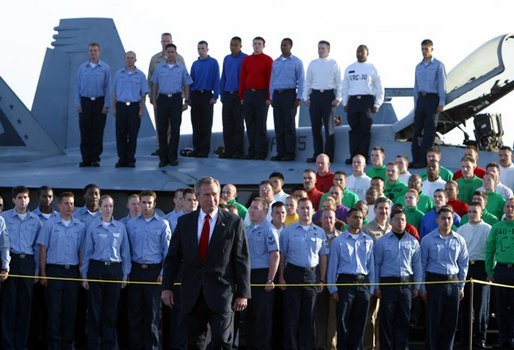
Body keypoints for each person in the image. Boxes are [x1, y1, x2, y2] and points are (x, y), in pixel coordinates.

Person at [162, 176, 251, 349]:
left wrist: (243, 293)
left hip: (222, 293)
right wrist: (167, 287)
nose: (212, 198)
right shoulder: (185, 222)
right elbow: (173, 258)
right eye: (207, 195)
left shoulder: (234, 223)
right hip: (192, 293)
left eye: (215, 194)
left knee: (222, 341)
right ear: (197, 196)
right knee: (193, 342)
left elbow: (242, 259)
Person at [81, 195, 131, 350]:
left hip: (115, 270)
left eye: (111, 206)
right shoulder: (92, 227)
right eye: (105, 206)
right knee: (95, 311)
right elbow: (87, 252)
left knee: (111, 310)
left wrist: (125, 274)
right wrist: (84, 276)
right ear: (100, 208)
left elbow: (125, 253)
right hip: (97, 269)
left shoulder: (120, 227)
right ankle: (94, 345)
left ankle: (108, 345)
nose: (108, 209)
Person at [278, 197, 328, 349]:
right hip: (292, 273)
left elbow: (323, 256)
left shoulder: (320, 232)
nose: (305, 211)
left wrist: (322, 279)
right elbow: (282, 255)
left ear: (313, 210)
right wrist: (281, 277)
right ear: (297, 210)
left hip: (312, 276)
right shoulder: (287, 231)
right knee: (292, 316)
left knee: (309, 316)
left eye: (308, 208)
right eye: (302, 208)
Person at [38, 192, 86, 349]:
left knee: (70, 310)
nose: (69, 206)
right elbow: (43, 249)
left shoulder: (80, 226)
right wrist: (43, 273)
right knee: (54, 310)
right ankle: (54, 344)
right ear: (59, 205)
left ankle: (67, 343)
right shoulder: (50, 224)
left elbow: (81, 251)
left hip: (71, 272)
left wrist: (81, 274)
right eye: (66, 203)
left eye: (72, 203)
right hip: (54, 271)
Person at [125, 190, 171, 350]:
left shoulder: (162, 224)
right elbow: (127, 251)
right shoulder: (131, 224)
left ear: (155, 204)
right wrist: (127, 273)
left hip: (154, 272)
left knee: (152, 315)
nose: (145, 206)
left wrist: (163, 273)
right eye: (142, 202)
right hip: (136, 271)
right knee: (135, 313)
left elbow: (168, 252)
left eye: (149, 202)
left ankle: (152, 347)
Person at [420, 205, 469, 350]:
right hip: (434, 281)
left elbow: (463, 264)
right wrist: (422, 286)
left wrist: (461, 286)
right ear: (437, 220)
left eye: (449, 218)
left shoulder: (459, 240)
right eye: (443, 218)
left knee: (451, 321)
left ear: (453, 220)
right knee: (433, 320)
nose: (446, 221)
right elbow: (422, 264)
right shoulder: (428, 240)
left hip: (453, 283)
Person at [374, 207, 421, 350]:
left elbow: (417, 266)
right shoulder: (382, 242)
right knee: (387, 319)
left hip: (406, 284)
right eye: (397, 219)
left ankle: (402, 347)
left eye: (403, 219)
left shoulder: (413, 242)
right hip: (388, 284)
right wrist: (376, 286)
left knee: (404, 319)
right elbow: (376, 265)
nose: (400, 222)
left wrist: (417, 287)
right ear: (391, 221)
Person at [327, 208, 374, 350]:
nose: (358, 220)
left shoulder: (368, 240)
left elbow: (371, 266)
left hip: (363, 283)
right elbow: (332, 267)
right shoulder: (338, 241)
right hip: (345, 282)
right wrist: (332, 288)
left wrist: (371, 288)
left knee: (360, 322)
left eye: (360, 218)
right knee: (342, 321)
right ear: (347, 219)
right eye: (355, 217)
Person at [1, 186, 42, 349]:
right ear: (13, 200)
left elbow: (38, 248)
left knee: (25, 306)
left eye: (25, 197)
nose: (22, 200)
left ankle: (22, 344)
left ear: (29, 199)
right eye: (19, 197)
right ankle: (8, 344)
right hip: (10, 262)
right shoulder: (4, 217)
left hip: (28, 263)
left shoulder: (36, 220)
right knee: (9, 305)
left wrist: (37, 271)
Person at [245, 197, 280, 350]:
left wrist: (270, 279)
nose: (251, 211)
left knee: (262, 315)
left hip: (262, 275)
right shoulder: (248, 229)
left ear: (265, 212)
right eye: (250, 207)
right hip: (248, 275)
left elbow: (275, 255)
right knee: (249, 315)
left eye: (255, 208)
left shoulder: (269, 229)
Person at [151, 43, 193, 167]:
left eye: (172, 52)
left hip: (176, 99)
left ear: (175, 53)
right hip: (162, 99)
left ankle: (173, 157)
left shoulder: (181, 68)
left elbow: (186, 85)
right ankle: (163, 158)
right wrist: (154, 100)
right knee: (162, 130)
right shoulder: (159, 68)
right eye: (168, 52)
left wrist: (186, 101)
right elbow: (154, 85)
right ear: (165, 53)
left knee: (175, 129)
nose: (170, 54)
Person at [457, 202, 491, 349]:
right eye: (469, 212)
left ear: (481, 212)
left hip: (481, 267)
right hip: (465, 268)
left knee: (480, 306)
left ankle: (480, 339)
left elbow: (490, 252)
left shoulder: (488, 229)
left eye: (474, 212)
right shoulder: (462, 228)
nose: (471, 214)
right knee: (464, 306)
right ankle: (465, 338)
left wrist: (490, 271)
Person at [342, 45, 384, 164]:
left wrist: (377, 104)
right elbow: (344, 87)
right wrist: (345, 102)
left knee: (365, 129)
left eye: (362, 52)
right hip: (353, 101)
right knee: (354, 129)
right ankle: (353, 156)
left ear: (367, 53)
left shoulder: (372, 68)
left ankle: (363, 157)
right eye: (358, 52)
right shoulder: (350, 68)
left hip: (366, 101)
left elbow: (379, 87)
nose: (359, 54)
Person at [302, 40, 342, 163]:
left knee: (329, 128)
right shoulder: (313, 64)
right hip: (315, 96)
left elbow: (339, 82)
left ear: (328, 50)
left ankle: (329, 156)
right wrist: (305, 97)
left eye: (323, 48)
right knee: (316, 128)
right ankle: (317, 155)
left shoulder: (334, 63)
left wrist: (339, 98)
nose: (320, 50)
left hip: (328, 96)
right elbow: (307, 81)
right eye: (319, 48)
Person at [148, 33, 186, 157]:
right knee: (161, 125)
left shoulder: (179, 59)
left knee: (174, 125)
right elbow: (151, 79)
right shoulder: (155, 59)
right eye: (164, 41)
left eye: (168, 41)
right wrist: (151, 98)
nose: (166, 43)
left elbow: (185, 79)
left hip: (175, 97)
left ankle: (171, 150)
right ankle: (161, 149)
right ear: (161, 42)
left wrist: (185, 100)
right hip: (159, 97)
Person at [410, 39, 447, 168]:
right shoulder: (418, 67)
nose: (424, 52)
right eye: (422, 49)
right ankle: (416, 159)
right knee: (417, 131)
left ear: (432, 49)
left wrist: (441, 103)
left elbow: (442, 85)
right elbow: (416, 86)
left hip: (432, 99)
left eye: (426, 49)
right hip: (421, 99)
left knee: (429, 131)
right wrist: (416, 104)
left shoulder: (438, 65)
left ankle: (424, 160)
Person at [361, 197, 391, 350]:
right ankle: (368, 346)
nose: (384, 211)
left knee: (384, 317)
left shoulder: (392, 229)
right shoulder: (367, 229)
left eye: (386, 208)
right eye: (381, 208)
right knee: (370, 317)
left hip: (388, 278)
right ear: (375, 210)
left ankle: (381, 346)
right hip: (371, 278)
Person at [75, 42, 111, 167]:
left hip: (99, 102)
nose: (93, 53)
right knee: (85, 131)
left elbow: (107, 88)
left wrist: (106, 105)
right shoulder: (82, 68)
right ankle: (85, 158)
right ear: (88, 52)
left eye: (95, 50)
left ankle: (95, 158)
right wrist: (77, 103)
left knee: (97, 131)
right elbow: (77, 87)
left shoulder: (105, 68)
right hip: (85, 102)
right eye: (91, 50)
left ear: (99, 52)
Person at [485, 198, 514, 349]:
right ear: (504, 209)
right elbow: (490, 250)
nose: (510, 209)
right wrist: (489, 271)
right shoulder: (496, 227)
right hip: (501, 270)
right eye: (508, 207)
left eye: (513, 207)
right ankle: (504, 340)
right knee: (501, 308)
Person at [112, 51, 149, 168]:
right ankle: (122, 159)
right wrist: (114, 108)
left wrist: (141, 109)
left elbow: (143, 95)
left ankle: (131, 159)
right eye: (127, 58)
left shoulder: (141, 75)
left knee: (133, 135)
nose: (129, 60)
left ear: (135, 60)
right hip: (121, 106)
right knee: (121, 135)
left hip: (134, 107)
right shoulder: (118, 74)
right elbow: (115, 94)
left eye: (132, 58)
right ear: (124, 59)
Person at [269, 37, 304, 161]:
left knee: (289, 125)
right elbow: (272, 80)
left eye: (285, 45)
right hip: (277, 95)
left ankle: (290, 153)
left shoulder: (297, 62)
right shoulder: (276, 62)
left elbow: (301, 80)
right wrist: (271, 96)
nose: (283, 47)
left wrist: (299, 97)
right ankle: (280, 152)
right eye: (281, 45)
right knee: (278, 125)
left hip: (289, 95)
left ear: (290, 46)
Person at [239, 36, 273, 160]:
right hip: (248, 94)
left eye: (259, 44)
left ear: (263, 46)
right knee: (249, 123)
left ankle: (261, 152)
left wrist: (269, 97)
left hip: (262, 95)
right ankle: (251, 150)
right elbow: (242, 78)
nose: (257, 46)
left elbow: (270, 79)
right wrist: (242, 96)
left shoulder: (268, 60)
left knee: (260, 124)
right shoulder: (247, 60)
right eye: (255, 44)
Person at [187, 40, 220, 158]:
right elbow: (190, 82)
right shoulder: (195, 64)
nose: (201, 51)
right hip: (196, 95)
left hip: (207, 95)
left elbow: (216, 79)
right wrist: (189, 98)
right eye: (199, 48)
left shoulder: (213, 63)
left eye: (203, 48)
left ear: (207, 49)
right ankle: (196, 149)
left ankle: (204, 150)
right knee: (196, 124)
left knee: (206, 124)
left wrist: (215, 95)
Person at [219, 36, 247, 159]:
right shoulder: (227, 59)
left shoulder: (245, 58)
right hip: (227, 94)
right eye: (231, 45)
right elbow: (223, 77)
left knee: (238, 124)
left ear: (240, 46)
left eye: (235, 45)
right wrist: (222, 93)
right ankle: (228, 150)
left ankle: (238, 151)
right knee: (227, 123)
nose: (233, 47)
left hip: (238, 95)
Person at [315, 209, 340, 350]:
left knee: (333, 317)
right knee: (320, 316)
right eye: (325, 218)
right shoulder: (316, 235)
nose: (328, 220)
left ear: (335, 219)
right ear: (321, 219)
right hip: (319, 280)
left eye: (331, 218)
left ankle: (331, 346)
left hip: (336, 281)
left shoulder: (341, 237)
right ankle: (320, 345)